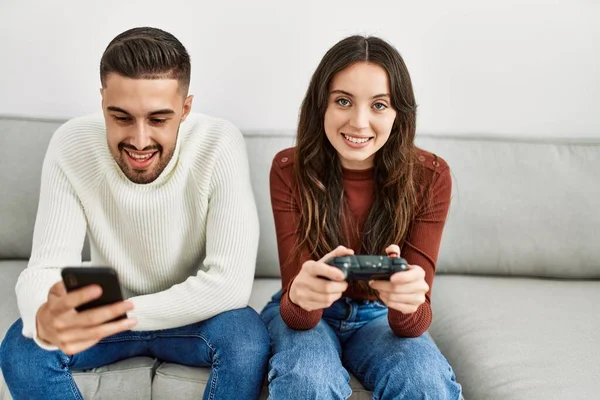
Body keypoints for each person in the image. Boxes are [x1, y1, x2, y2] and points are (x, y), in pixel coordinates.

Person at [0, 27, 269, 400]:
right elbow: (43, 269)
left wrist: (118, 313)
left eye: (158, 119)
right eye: (121, 117)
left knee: (247, 339)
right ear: (102, 101)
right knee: (22, 347)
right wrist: (44, 317)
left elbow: (229, 284)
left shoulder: (219, 143)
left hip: (193, 319)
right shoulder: (71, 143)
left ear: (185, 109)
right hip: (101, 322)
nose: (139, 141)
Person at [261, 35, 463, 399]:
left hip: (378, 315)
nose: (358, 122)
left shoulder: (431, 177)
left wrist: (406, 302)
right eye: (343, 101)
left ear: (399, 113)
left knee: (425, 381)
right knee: (307, 379)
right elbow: (298, 316)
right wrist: (305, 295)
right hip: (309, 313)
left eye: (379, 105)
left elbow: (413, 324)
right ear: (320, 105)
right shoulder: (289, 169)